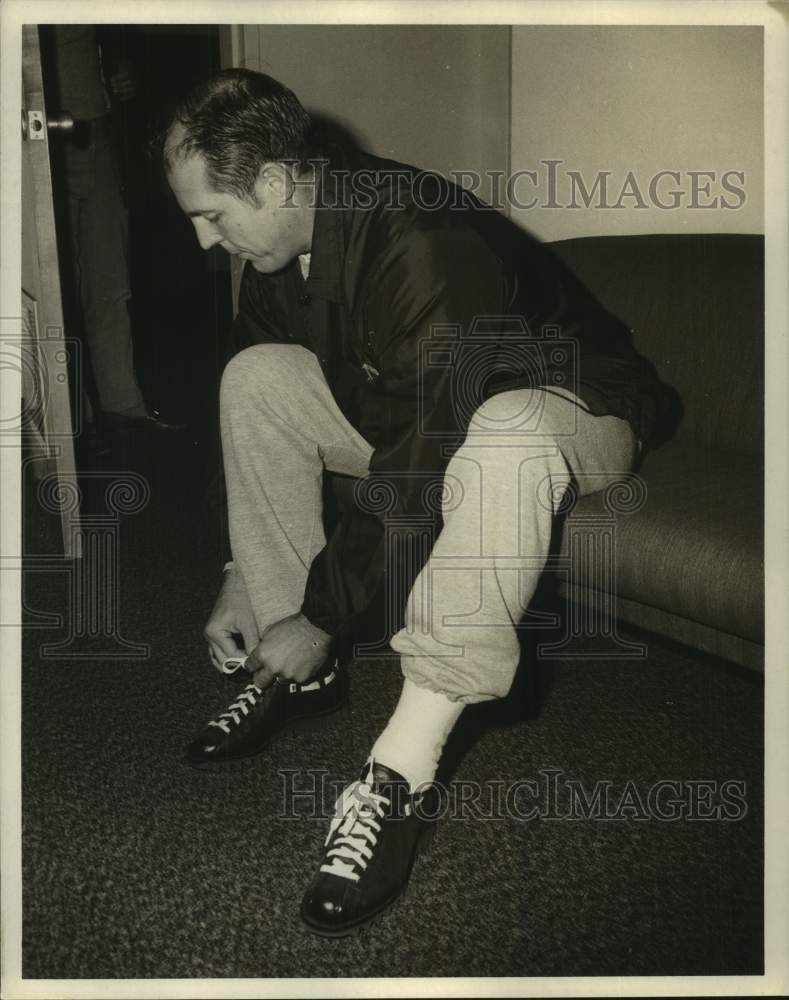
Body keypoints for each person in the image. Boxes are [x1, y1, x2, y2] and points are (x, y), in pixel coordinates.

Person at [161, 68, 669, 937]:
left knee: (502, 432)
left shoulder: (425, 242)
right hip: (437, 414)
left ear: (279, 183)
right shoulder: (275, 250)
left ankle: (401, 768)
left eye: (214, 215)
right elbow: (327, 415)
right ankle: (299, 667)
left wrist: (330, 609)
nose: (208, 241)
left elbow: (417, 460)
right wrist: (240, 574)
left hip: (570, 407)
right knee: (255, 376)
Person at [45, 25, 185, 451]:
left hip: (96, 129)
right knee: (56, 283)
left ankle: (124, 406)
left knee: (111, 278)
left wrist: (118, 69)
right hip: (43, 133)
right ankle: (76, 425)